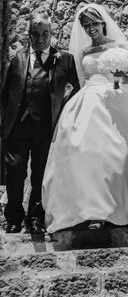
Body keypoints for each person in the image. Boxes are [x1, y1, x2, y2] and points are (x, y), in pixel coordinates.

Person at [42, 3, 128, 233]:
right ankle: (90, 208)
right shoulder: (83, 53)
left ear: (103, 23)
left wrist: (117, 79)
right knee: (82, 151)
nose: (90, 28)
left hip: (114, 97)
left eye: (94, 24)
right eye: (86, 25)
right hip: (87, 100)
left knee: (118, 150)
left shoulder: (117, 47)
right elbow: (81, 80)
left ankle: (118, 203)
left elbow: (127, 80)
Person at [1, 12, 80, 233]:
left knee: (40, 173)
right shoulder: (18, 58)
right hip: (17, 126)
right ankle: (14, 217)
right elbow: (7, 93)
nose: (40, 38)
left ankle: (35, 217)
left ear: (51, 34)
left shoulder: (65, 59)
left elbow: (78, 89)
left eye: (45, 33)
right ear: (29, 35)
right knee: (15, 171)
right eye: (35, 34)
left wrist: (64, 106)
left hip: (46, 128)